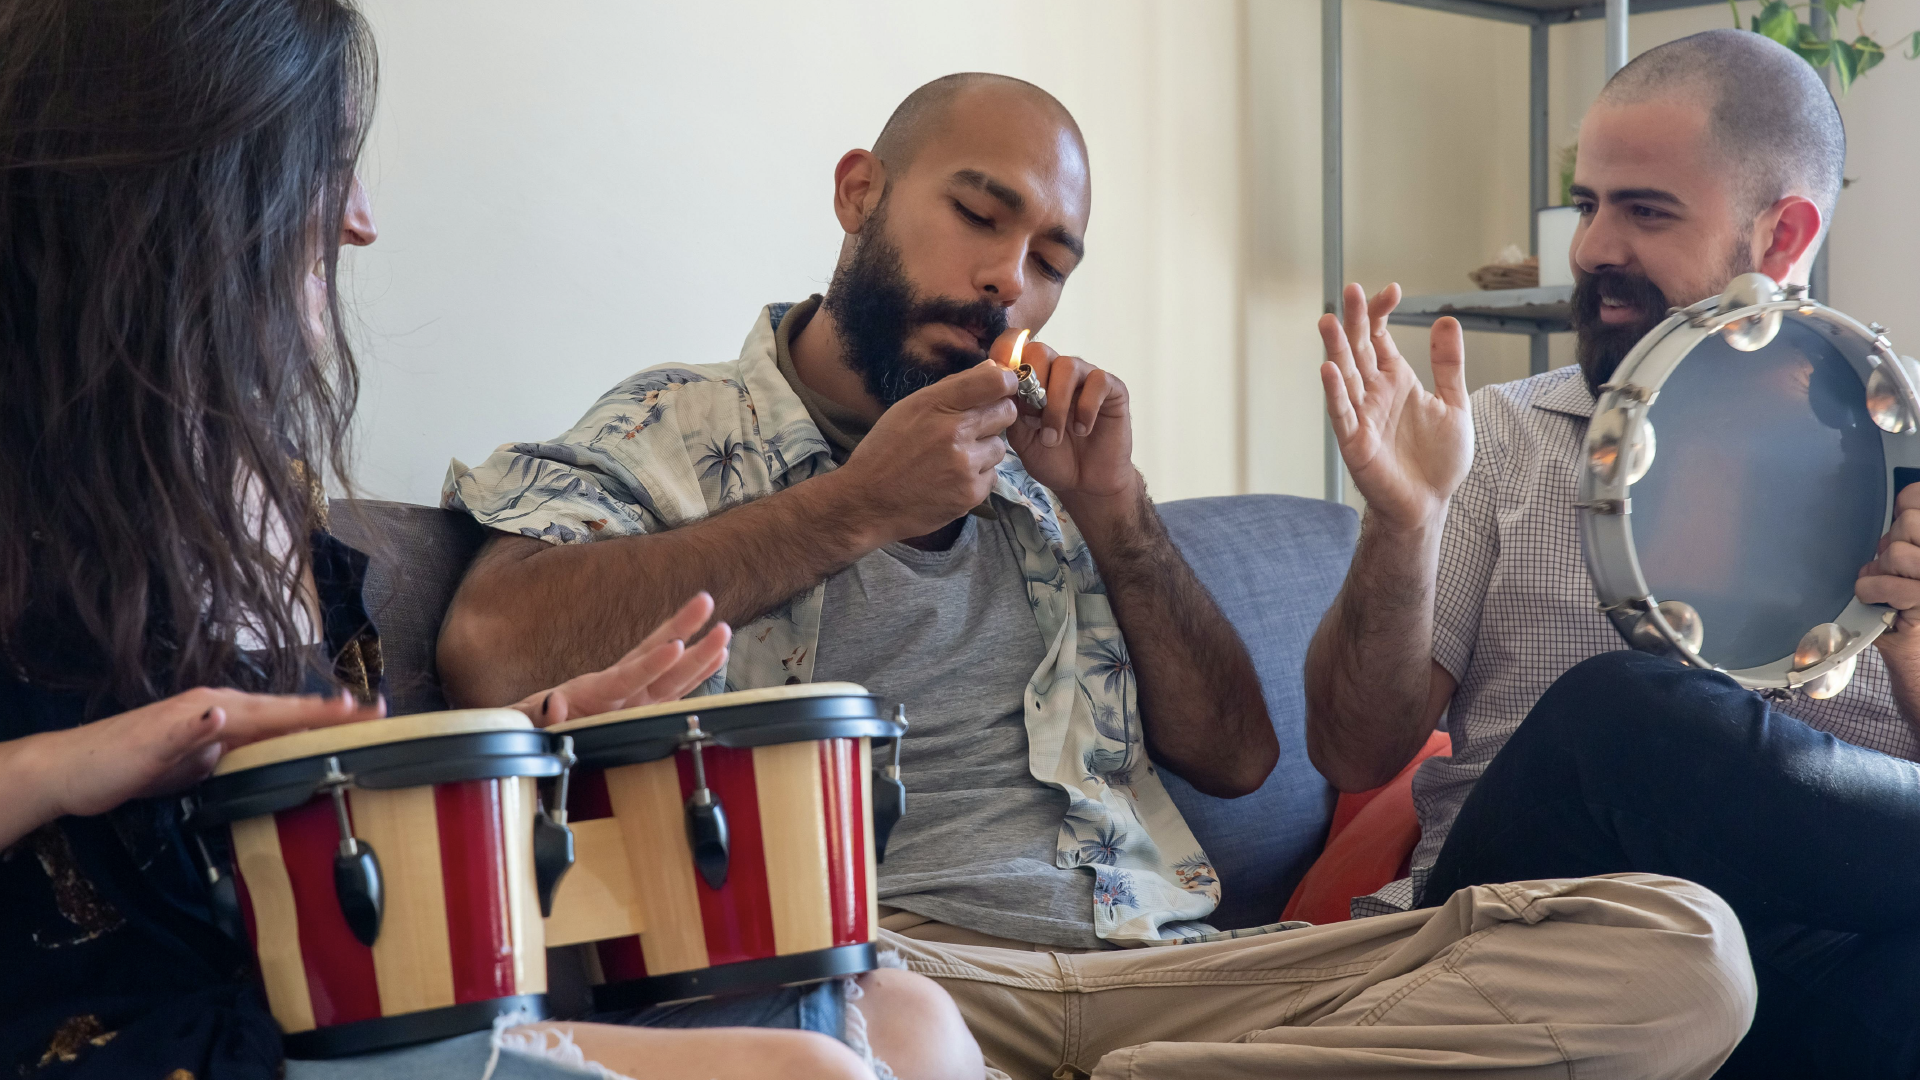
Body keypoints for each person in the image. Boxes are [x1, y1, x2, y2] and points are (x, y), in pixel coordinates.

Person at [440, 71, 1756, 1078]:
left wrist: (1118, 515)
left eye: (1054, 260)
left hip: (1169, 975)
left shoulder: (1036, 478)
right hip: (897, 978)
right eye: (979, 214)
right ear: (858, 194)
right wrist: (855, 505)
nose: (1010, 280)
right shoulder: (676, 428)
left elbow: (1241, 760)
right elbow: (495, 643)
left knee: (1682, 952)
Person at [0, 2, 976, 1078]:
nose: (362, 220)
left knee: (909, 1017)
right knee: (812, 1070)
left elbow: (316, 867)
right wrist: (68, 763)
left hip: (319, 1015)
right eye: (326, 167)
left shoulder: (265, 492)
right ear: (189, 187)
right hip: (128, 1039)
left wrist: (522, 752)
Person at [1305, 27, 1920, 1078]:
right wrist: (1403, 527)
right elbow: (1355, 755)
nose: (1590, 249)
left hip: (1809, 978)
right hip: (1543, 938)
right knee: (1625, 709)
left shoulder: (1904, 451)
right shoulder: (1490, 437)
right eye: (1587, 205)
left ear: (1783, 236)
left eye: (1645, 210)